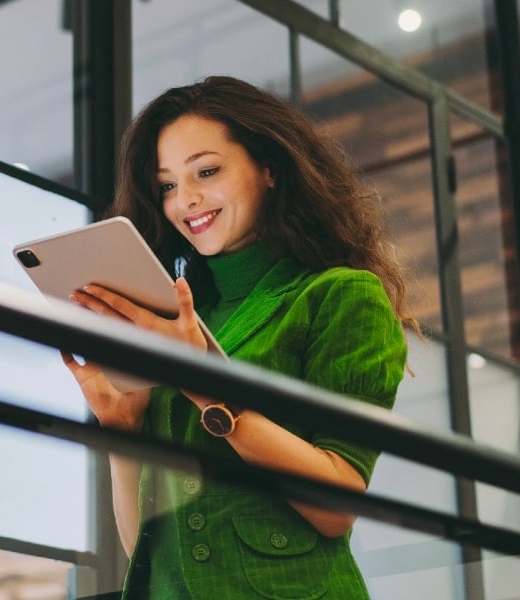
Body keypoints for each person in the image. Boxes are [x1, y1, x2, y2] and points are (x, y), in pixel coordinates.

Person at [60, 75, 416, 599]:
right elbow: (146, 550)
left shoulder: (339, 295)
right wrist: (124, 428)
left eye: (206, 171)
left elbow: (337, 507)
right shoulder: (177, 317)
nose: (187, 200)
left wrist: (208, 388)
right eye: (167, 185)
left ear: (269, 168)